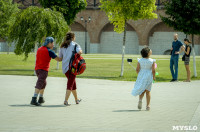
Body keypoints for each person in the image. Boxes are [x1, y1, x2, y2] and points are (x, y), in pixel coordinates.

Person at [30, 37, 62, 106]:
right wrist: (65, 56)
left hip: (37, 69)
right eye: (52, 43)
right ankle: (34, 98)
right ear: (49, 43)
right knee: (40, 83)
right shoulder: (49, 51)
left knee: (44, 83)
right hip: (43, 70)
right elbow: (58, 59)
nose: (53, 44)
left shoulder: (39, 49)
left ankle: (41, 98)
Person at [59, 32, 82, 106]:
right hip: (72, 68)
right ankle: (66, 101)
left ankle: (76, 99)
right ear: (73, 37)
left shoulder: (62, 46)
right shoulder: (75, 45)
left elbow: (60, 57)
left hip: (65, 68)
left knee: (73, 84)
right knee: (70, 84)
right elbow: (79, 52)